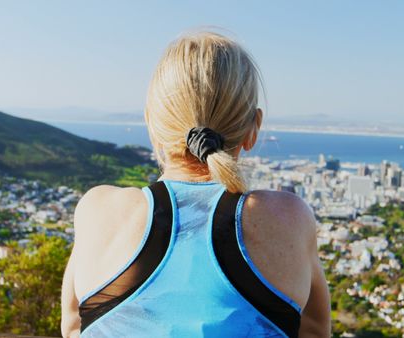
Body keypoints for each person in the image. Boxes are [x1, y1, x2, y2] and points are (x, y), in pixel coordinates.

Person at [61, 30, 331, 338]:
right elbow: (314, 331)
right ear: (253, 129)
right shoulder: (288, 218)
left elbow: (73, 328)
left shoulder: (100, 211)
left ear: (152, 124)